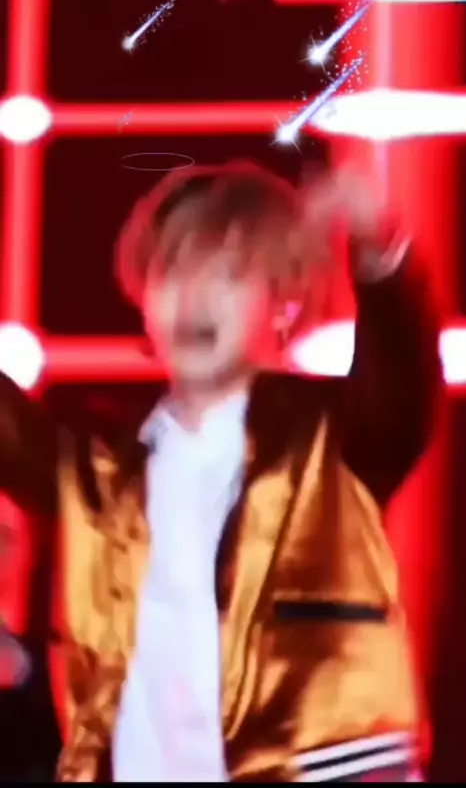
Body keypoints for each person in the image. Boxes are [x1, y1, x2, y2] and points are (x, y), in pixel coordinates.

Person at [0, 160, 441, 782]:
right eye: (171, 274)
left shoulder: (333, 439)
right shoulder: (97, 475)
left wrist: (378, 249)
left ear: (285, 301)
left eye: (227, 275)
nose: (194, 299)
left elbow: (404, 379)